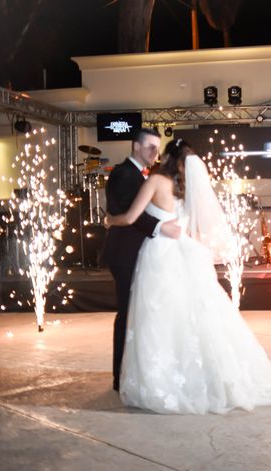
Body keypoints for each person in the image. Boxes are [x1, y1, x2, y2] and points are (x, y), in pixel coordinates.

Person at [106, 138, 271, 414]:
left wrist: (110, 219)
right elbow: (194, 228)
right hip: (185, 252)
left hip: (158, 255)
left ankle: (162, 375)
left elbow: (131, 217)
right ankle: (198, 374)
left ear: (167, 157)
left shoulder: (156, 181)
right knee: (189, 312)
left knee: (157, 316)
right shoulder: (188, 189)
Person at [102, 128, 181, 392]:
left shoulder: (141, 174)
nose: (154, 152)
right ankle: (119, 377)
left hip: (139, 252)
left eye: (157, 148)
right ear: (136, 146)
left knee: (139, 313)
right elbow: (128, 214)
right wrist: (162, 227)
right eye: (149, 147)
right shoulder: (124, 174)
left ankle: (134, 371)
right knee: (127, 313)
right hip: (124, 254)